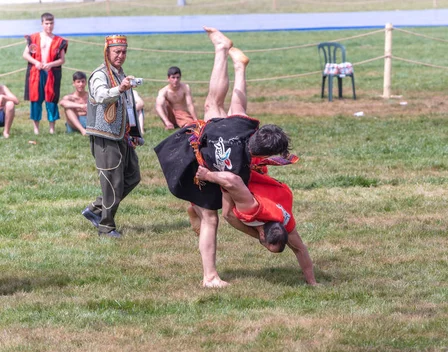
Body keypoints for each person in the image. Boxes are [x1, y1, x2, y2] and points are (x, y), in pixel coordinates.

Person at [155, 27, 290, 288]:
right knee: (211, 218)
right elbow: (229, 213)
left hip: (212, 133)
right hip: (200, 160)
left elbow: (238, 106)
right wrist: (258, 233)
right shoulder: (238, 171)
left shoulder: (243, 127)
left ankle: (234, 62)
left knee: (214, 104)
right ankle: (210, 277)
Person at [195, 164, 317, 285]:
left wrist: (312, 282)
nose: (264, 247)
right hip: (234, 170)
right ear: (263, 234)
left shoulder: (287, 223)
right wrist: (207, 175)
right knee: (210, 215)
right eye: (266, 246)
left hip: (271, 189)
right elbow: (233, 182)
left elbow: (300, 249)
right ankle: (193, 209)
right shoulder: (251, 208)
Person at [81, 34, 143, 238]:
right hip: (104, 136)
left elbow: (127, 106)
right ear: (107, 52)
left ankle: (96, 210)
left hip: (121, 135)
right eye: (117, 51)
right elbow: (100, 95)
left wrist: (134, 132)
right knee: (112, 182)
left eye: (124, 51)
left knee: (132, 176)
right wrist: (120, 88)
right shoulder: (100, 75)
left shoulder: (119, 73)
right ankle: (106, 227)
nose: (121, 55)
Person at [23, 12, 68, 135]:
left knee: (51, 99)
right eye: (46, 23)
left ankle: (52, 128)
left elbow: (62, 60)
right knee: (35, 99)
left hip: (52, 73)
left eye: (51, 23)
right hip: (35, 73)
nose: (49, 26)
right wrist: (36, 62)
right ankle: (36, 129)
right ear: (42, 24)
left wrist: (51, 64)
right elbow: (25, 54)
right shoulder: (34, 38)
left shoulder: (59, 41)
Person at [59, 71, 88, 136]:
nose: (81, 84)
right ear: (74, 83)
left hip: (87, 121)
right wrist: (81, 106)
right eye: (78, 82)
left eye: (83, 81)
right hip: (74, 124)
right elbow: (62, 103)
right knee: (68, 109)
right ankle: (82, 130)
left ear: (86, 83)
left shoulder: (89, 96)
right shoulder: (70, 97)